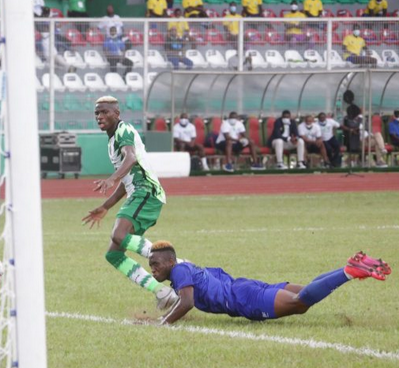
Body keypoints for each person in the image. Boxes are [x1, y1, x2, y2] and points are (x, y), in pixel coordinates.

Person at [82, 96, 178, 312]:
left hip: (146, 191)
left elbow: (131, 158)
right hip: (137, 193)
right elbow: (126, 182)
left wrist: (111, 178)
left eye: (105, 112)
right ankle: (162, 292)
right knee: (113, 254)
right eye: (97, 113)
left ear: (117, 114)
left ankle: (178, 265)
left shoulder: (123, 131)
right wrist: (105, 206)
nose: (100, 116)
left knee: (118, 235)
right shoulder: (112, 140)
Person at [148, 241, 391, 325]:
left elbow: (187, 302)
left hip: (243, 299)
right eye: (151, 266)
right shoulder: (185, 268)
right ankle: (354, 264)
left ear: (170, 261)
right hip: (243, 287)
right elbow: (186, 297)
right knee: (305, 293)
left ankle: (350, 270)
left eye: (156, 265)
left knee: (300, 302)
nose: (153, 270)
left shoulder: (179, 272)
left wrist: (164, 322)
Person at [342, 90, 388, 167]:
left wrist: (370, 135)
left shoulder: (363, 120)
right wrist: (360, 117)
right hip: (358, 141)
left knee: (377, 135)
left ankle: (380, 156)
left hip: (367, 139)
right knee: (372, 140)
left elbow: (367, 130)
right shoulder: (350, 121)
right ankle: (375, 159)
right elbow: (355, 129)